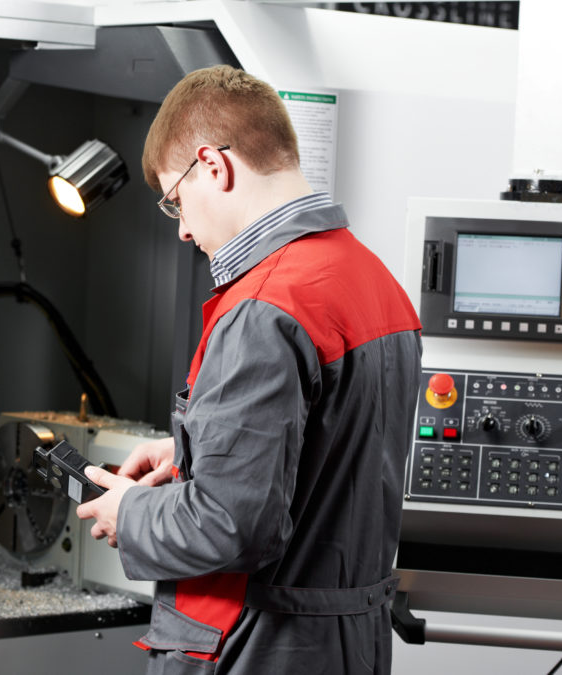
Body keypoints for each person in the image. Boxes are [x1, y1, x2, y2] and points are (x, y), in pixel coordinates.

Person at [76, 65, 422, 675]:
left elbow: (233, 527)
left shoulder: (266, 307)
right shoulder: (374, 281)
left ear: (213, 165)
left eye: (176, 200)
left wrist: (128, 512)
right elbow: (327, 458)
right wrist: (193, 451)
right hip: (351, 645)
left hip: (260, 648)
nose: (182, 229)